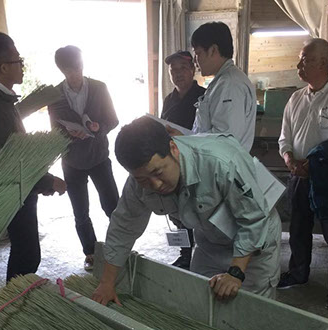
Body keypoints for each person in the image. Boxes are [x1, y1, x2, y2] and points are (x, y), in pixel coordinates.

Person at [91, 116, 281, 305]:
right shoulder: (138, 182)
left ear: (173, 149)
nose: (155, 184)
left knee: (249, 308)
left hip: (256, 242)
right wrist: (107, 283)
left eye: (158, 173)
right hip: (210, 242)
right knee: (200, 302)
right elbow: (123, 227)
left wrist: (235, 273)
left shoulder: (220, 161)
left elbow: (253, 219)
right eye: (143, 179)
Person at [0, 31, 66, 283]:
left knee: (27, 251)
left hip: (20, 187)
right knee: (26, 255)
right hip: (13, 189)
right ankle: (15, 299)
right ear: (3, 67)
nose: (22, 66)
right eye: (18, 61)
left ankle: (17, 296)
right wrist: (48, 181)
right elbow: (11, 161)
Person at [276, 38, 328, 312]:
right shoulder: (296, 98)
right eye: (300, 60)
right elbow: (285, 137)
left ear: (323, 63)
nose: (298, 66)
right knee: (298, 228)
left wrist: (317, 164)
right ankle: (298, 273)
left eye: (305, 60)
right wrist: (289, 158)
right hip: (299, 175)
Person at [48, 45, 120, 271]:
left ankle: (120, 248)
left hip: (99, 157)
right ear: (62, 70)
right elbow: (54, 130)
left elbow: (113, 120)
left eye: (78, 68)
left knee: (112, 206)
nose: (76, 74)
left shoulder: (99, 88)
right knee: (80, 212)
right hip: (72, 161)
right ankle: (90, 252)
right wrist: (68, 134)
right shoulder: (55, 95)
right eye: (70, 71)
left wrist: (98, 128)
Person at [161, 50, 206, 269]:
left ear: (193, 69)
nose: (178, 74)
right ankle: (185, 254)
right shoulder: (169, 99)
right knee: (178, 210)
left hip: (197, 161)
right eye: (173, 70)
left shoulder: (204, 96)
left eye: (183, 68)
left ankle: (204, 254)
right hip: (174, 163)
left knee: (199, 208)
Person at [190, 22, 257, 153]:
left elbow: (225, 140)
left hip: (225, 164)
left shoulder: (230, 84)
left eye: (198, 53)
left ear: (213, 50)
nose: (195, 60)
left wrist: (187, 141)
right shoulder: (222, 81)